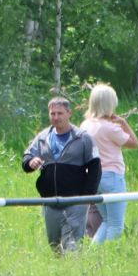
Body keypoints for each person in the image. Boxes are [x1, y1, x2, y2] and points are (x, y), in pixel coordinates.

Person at [22, 96, 101, 254]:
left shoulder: (83, 137)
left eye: (60, 113)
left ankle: (75, 274)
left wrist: (86, 198)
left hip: (75, 201)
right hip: (50, 202)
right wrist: (31, 162)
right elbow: (26, 159)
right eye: (52, 114)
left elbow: (95, 168)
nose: (56, 117)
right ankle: (62, 275)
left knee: (72, 247)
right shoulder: (43, 137)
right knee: (55, 246)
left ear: (69, 113)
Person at [81, 84, 138, 243]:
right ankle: (106, 257)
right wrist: (124, 124)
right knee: (116, 225)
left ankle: (94, 256)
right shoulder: (110, 128)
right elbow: (134, 143)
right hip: (112, 176)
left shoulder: (85, 125)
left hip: (94, 177)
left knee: (106, 220)